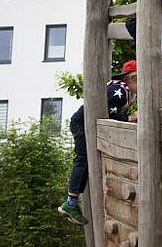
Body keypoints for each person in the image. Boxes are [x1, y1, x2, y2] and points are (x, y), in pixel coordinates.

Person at [57, 60, 138, 226]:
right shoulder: (120, 91)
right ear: (131, 78)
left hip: (84, 122)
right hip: (82, 123)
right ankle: (70, 202)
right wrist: (131, 118)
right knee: (83, 159)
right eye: (140, 79)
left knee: (86, 159)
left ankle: (71, 202)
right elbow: (108, 114)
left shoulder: (121, 89)